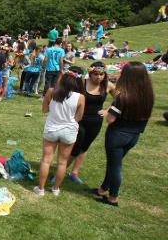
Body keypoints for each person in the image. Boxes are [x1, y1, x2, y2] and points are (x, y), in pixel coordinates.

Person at [93, 62, 154, 207]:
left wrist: (107, 111)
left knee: (115, 166)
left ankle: (113, 197)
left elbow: (110, 118)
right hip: (134, 135)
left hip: (118, 135)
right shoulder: (148, 96)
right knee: (114, 163)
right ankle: (103, 189)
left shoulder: (123, 97)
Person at [34, 68, 86, 197]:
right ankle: (56, 189)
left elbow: (44, 110)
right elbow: (79, 118)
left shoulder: (52, 92)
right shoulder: (80, 97)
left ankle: (40, 189)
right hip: (69, 131)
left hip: (52, 129)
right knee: (62, 162)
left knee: (46, 160)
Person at [67, 62, 115, 185]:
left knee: (85, 147)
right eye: (95, 74)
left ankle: (74, 173)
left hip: (95, 122)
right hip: (80, 120)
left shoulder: (108, 85)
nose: (98, 77)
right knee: (75, 147)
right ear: (90, 73)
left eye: (101, 74)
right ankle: (60, 172)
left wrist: (107, 110)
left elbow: (119, 98)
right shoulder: (82, 82)